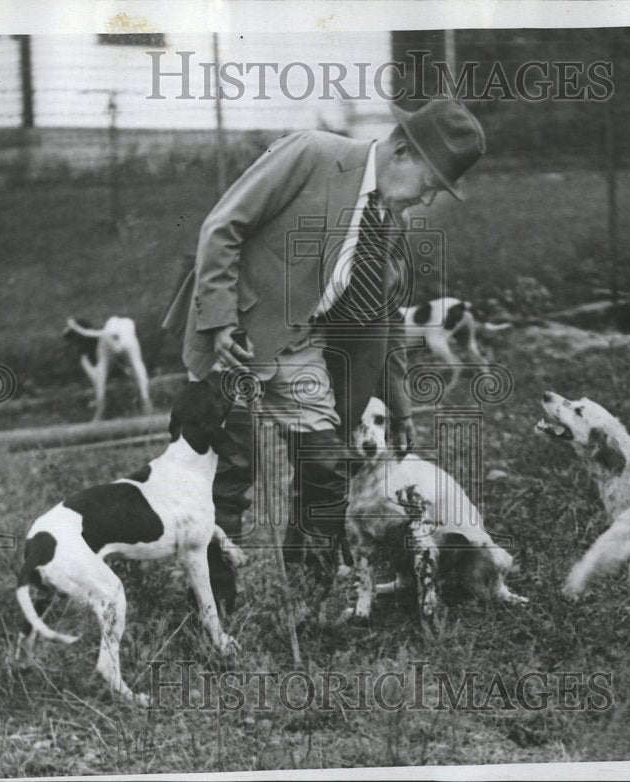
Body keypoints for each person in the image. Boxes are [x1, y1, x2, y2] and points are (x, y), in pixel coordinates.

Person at [162, 98, 487, 613]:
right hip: (238, 337)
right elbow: (223, 226)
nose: (427, 199)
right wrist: (221, 321)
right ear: (402, 151)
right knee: (228, 474)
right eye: (429, 185)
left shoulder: (388, 223)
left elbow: (386, 316)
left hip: (301, 350)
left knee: (325, 466)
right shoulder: (312, 153)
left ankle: (307, 602)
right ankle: (213, 608)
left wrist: (399, 406)